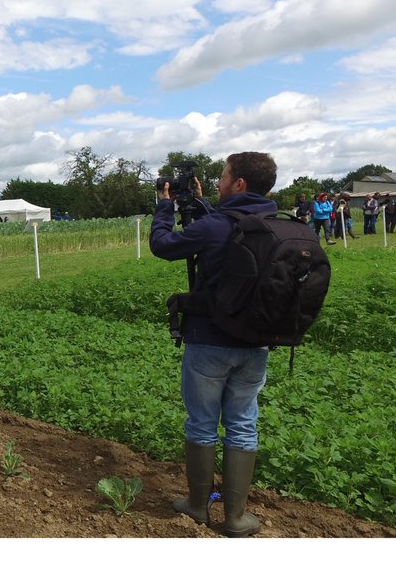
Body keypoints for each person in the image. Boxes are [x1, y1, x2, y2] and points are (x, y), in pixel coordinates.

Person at [150, 151, 280, 537]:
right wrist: (203, 203)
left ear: (239, 184)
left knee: (203, 424)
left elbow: (163, 244)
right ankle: (236, 518)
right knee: (243, 425)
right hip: (257, 344)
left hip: (209, 341)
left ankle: (197, 506)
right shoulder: (278, 223)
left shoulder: (216, 226)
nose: (220, 182)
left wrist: (164, 207)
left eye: (224, 177)